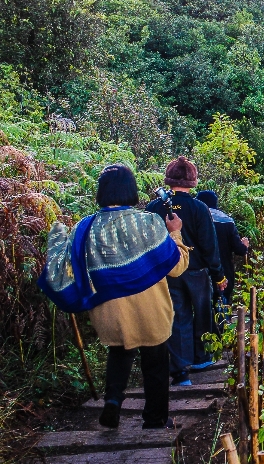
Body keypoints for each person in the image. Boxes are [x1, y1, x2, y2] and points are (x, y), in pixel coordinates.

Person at [40, 164, 190, 429]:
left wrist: (57, 238)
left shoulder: (85, 228)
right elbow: (177, 266)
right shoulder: (148, 223)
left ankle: (112, 402)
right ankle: (155, 419)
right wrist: (175, 231)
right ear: (131, 191)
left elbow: (68, 267)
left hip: (109, 312)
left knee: (119, 353)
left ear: (102, 192)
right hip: (150, 310)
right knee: (155, 361)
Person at [146, 157, 226, 386]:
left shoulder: (154, 207)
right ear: (192, 181)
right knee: (202, 312)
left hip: (167, 272)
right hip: (197, 271)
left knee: (178, 316)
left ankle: (180, 371)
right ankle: (202, 358)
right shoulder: (199, 208)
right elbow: (209, 245)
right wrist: (218, 275)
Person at [196, 190, 250, 330]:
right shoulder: (226, 220)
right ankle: (222, 336)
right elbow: (239, 249)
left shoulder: (194, 217)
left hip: (199, 272)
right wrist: (244, 245)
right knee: (222, 303)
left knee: (201, 307)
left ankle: (203, 338)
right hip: (223, 270)